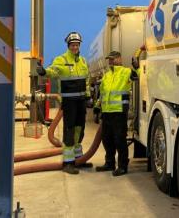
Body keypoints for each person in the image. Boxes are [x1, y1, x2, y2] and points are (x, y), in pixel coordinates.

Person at [37, 31, 91, 174]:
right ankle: (68, 163)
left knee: (80, 130)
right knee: (70, 130)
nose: (75, 47)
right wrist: (43, 72)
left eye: (77, 45)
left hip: (80, 102)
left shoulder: (83, 61)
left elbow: (86, 80)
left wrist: (88, 96)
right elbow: (53, 71)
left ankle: (78, 159)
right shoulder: (61, 60)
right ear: (68, 45)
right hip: (69, 102)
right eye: (72, 45)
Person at [94, 51, 139, 176]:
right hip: (107, 112)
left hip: (119, 112)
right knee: (107, 139)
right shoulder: (106, 75)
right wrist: (97, 108)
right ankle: (109, 163)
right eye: (109, 59)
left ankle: (123, 166)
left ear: (119, 59)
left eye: (113, 59)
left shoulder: (126, 72)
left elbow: (139, 76)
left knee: (119, 140)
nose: (111, 62)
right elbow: (102, 93)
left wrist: (137, 67)